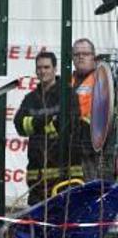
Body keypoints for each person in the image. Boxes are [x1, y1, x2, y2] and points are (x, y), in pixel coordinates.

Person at [13, 52, 81, 206]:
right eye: (39, 68)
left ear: (55, 69)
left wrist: (33, 125)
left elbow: (67, 126)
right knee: (38, 223)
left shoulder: (68, 94)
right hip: (36, 177)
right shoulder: (30, 99)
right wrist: (47, 121)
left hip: (64, 176)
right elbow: (19, 126)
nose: (42, 71)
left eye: (46, 67)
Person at [70, 38, 115, 182]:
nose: (81, 57)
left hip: (98, 148)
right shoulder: (65, 82)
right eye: (77, 54)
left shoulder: (105, 80)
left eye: (85, 53)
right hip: (72, 148)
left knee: (98, 189)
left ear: (93, 57)